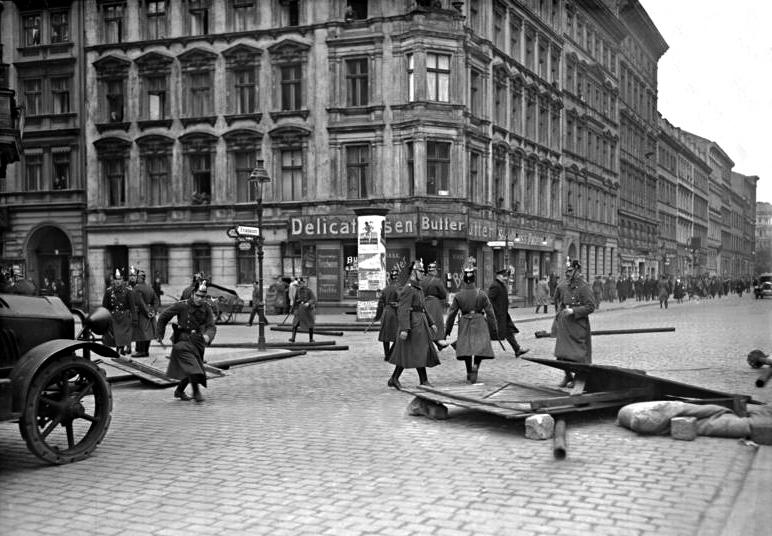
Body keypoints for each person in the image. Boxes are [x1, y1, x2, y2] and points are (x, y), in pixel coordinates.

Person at [156, 280, 216, 402]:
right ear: (193, 293)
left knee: (192, 367)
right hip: (182, 340)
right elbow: (163, 317)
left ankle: (179, 391)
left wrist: (208, 336)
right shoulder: (182, 305)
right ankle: (196, 392)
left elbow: (211, 326)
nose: (200, 298)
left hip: (198, 342)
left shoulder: (206, 308)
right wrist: (160, 334)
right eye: (198, 295)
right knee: (194, 367)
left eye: (202, 296)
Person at [387, 259, 440, 389]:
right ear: (413, 273)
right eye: (420, 271)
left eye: (423, 271)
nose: (423, 273)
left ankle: (419, 380)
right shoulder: (408, 289)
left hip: (420, 323)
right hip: (412, 324)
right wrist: (405, 328)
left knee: (418, 351)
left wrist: (431, 322)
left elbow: (422, 307)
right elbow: (403, 309)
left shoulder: (418, 288)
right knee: (413, 352)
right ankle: (399, 378)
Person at [445, 263, 498, 384]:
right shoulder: (482, 294)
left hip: (464, 322)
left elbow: (452, 314)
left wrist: (447, 330)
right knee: (480, 348)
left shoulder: (458, 295)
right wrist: (494, 329)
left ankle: (469, 371)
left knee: (466, 348)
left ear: (464, 280)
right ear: (474, 279)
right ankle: (476, 367)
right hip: (479, 321)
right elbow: (490, 313)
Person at [552, 260, 595, 388]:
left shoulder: (584, 286)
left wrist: (574, 310)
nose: (567, 274)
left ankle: (578, 378)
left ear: (577, 271)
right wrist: (559, 314)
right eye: (566, 271)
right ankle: (567, 376)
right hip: (565, 325)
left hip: (578, 324)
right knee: (562, 354)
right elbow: (557, 300)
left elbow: (591, 306)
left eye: (570, 271)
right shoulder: (563, 285)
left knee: (578, 355)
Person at [488, 268, 529, 357]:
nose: (505, 278)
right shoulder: (495, 285)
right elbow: (489, 300)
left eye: (505, 276)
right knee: (488, 333)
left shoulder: (501, 285)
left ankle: (517, 349)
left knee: (508, 331)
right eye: (503, 276)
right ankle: (478, 350)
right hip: (497, 315)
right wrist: (494, 311)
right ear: (498, 276)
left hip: (503, 314)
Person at [102, 268, 135, 356]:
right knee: (117, 335)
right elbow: (105, 307)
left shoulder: (128, 291)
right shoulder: (109, 291)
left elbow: (132, 306)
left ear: (123, 280)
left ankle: (121, 349)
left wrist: (134, 319)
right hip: (114, 317)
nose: (118, 281)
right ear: (113, 280)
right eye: (116, 279)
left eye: (119, 279)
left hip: (124, 316)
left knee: (123, 335)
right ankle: (119, 349)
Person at [420, 261, 448, 351]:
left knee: (426, 323)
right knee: (436, 323)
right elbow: (443, 294)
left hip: (424, 302)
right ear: (434, 270)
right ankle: (437, 341)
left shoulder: (422, 280)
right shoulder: (437, 281)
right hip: (434, 303)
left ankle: (430, 342)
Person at [374, 267, 401, 360]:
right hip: (395, 313)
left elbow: (380, 304)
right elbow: (401, 300)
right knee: (398, 335)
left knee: (386, 335)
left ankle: (387, 354)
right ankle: (390, 353)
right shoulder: (400, 288)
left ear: (390, 278)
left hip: (386, 312)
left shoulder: (385, 289)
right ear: (397, 277)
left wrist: (377, 317)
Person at [131, 270, 158, 357]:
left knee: (141, 332)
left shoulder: (137, 288)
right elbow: (156, 300)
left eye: (137, 277)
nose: (135, 279)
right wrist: (153, 311)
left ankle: (140, 351)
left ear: (140, 278)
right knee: (148, 333)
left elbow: (140, 302)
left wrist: (147, 312)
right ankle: (146, 351)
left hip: (141, 314)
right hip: (150, 312)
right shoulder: (150, 288)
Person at [289, 278, 316, 342]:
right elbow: (295, 300)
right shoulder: (298, 290)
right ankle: (293, 338)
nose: (300, 285)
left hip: (307, 310)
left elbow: (313, 299)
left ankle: (311, 339)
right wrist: (292, 309)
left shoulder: (309, 290)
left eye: (301, 283)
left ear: (304, 283)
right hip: (299, 309)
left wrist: (308, 303)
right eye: (299, 283)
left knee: (310, 324)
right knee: (295, 324)